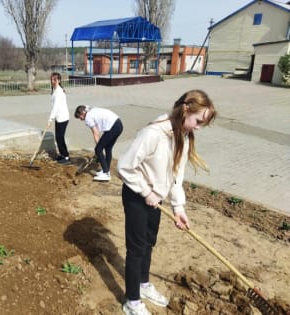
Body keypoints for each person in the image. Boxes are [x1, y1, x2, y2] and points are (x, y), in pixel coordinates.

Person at [117, 90, 216, 315]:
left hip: (157, 198)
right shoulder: (153, 133)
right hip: (136, 195)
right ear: (185, 110)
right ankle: (132, 302)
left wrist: (178, 207)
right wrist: (145, 191)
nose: (199, 127)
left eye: (204, 124)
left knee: (149, 242)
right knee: (136, 248)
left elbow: (176, 176)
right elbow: (124, 166)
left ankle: (143, 285)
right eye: (198, 121)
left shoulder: (185, 136)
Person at [74, 105, 123, 181]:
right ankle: (106, 170)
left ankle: (106, 173)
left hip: (113, 127)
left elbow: (95, 133)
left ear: (83, 113)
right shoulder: (90, 110)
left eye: (79, 116)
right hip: (118, 124)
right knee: (108, 148)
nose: (80, 119)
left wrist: (99, 148)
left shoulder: (88, 118)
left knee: (98, 149)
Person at [47, 72, 71, 165]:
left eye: (55, 80)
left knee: (60, 137)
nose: (53, 81)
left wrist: (50, 120)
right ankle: (62, 154)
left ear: (59, 80)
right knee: (58, 137)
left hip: (63, 118)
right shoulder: (55, 90)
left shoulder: (59, 92)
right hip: (59, 117)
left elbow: (55, 107)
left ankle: (66, 157)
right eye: (52, 79)